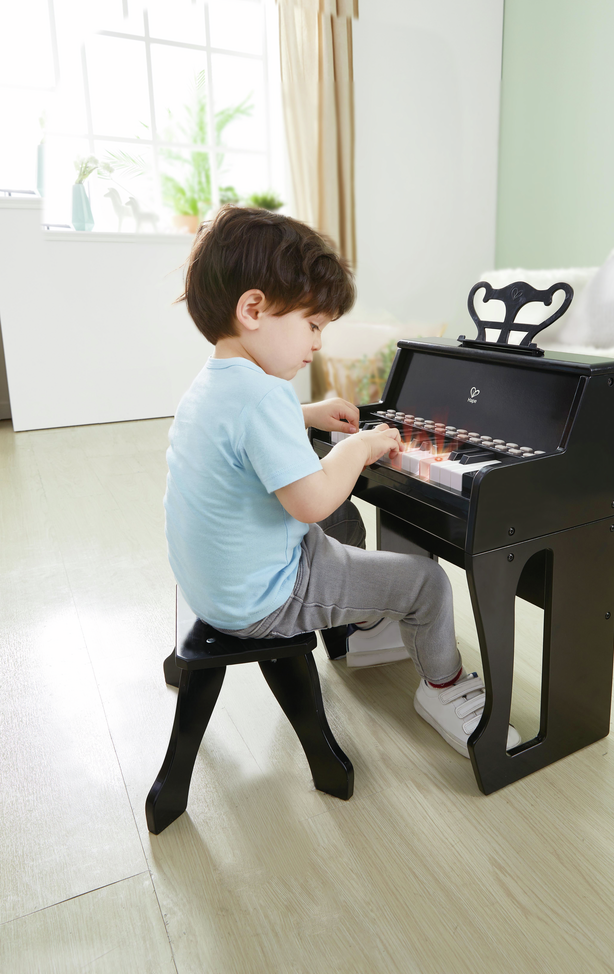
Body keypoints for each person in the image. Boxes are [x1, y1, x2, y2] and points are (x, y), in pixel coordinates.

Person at [164, 207, 519, 758]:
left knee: (339, 511)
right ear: (254, 309)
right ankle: (443, 689)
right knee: (427, 582)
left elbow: (248, 432)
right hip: (264, 599)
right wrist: (358, 446)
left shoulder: (213, 385)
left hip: (213, 580)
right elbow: (311, 502)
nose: (317, 345)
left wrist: (306, 414)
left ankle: (369, 618)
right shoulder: (263, 397)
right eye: (312, 326)